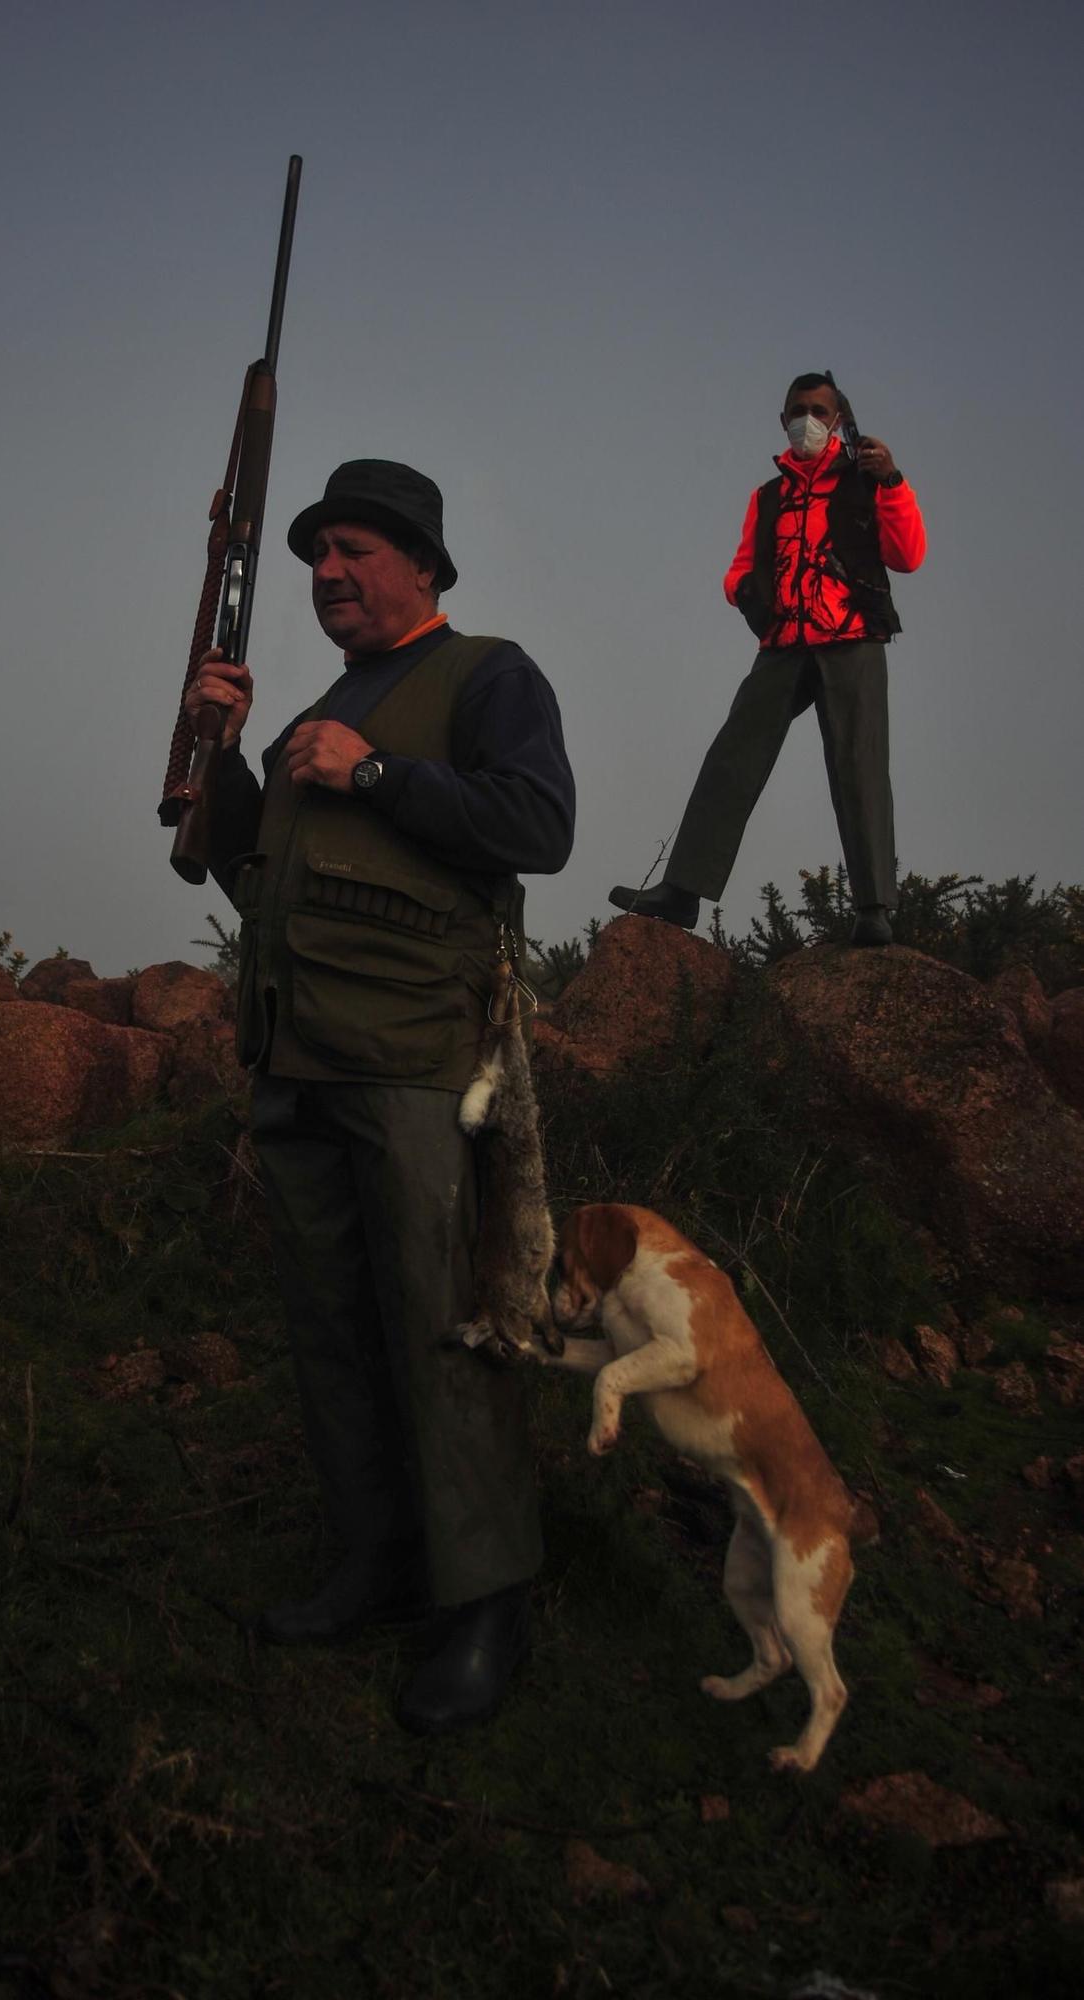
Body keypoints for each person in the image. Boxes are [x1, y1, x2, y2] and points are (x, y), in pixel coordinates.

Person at [190, 458, 574, 1733]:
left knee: (440, 1329)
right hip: (298, 1060)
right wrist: (232, 754)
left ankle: (485, 1602)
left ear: (420, 561)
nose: (327, 574)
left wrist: (372, 773)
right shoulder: (324, 704)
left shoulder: (485, 675)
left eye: (352, 548)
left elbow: (535, 822)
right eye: (315, 555)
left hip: (415, 1060)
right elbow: (263, 876)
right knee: (333, 1330)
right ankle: (373, 1562)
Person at [610, 372, 927, 945]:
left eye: (820, 409)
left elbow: (908, 555)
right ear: (784, 420)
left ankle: (874, 908)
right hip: (784, 642)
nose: (808, 419)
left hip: (851, 636)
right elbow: (739, 569)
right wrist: (751, 596)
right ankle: (682, 891)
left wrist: (894, 482)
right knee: (733, 754)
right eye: (798, 410)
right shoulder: (769, 496)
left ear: (838, 421)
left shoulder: (867, 480)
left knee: (859, 764)